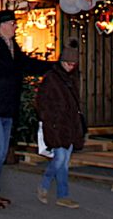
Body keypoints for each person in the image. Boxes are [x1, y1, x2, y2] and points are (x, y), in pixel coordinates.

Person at [0, 10, 51, 211]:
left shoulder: (12, 46)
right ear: (3, 25)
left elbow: (27, 65)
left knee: (2, 151)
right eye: (13, 24)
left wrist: (53, 66)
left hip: (8, 106)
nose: (16, 27)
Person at [34, 42, 84, 209]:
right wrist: (50, 120)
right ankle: (47, 185)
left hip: (69, 124)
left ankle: (61, 194)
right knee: (61, 159)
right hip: (57, 124)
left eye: (73, 64)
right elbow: (42, 103)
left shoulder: (71, 77)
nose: (71, 67)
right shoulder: (51, 79)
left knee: (64, 161)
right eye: (68, 64)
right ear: (62, 61)